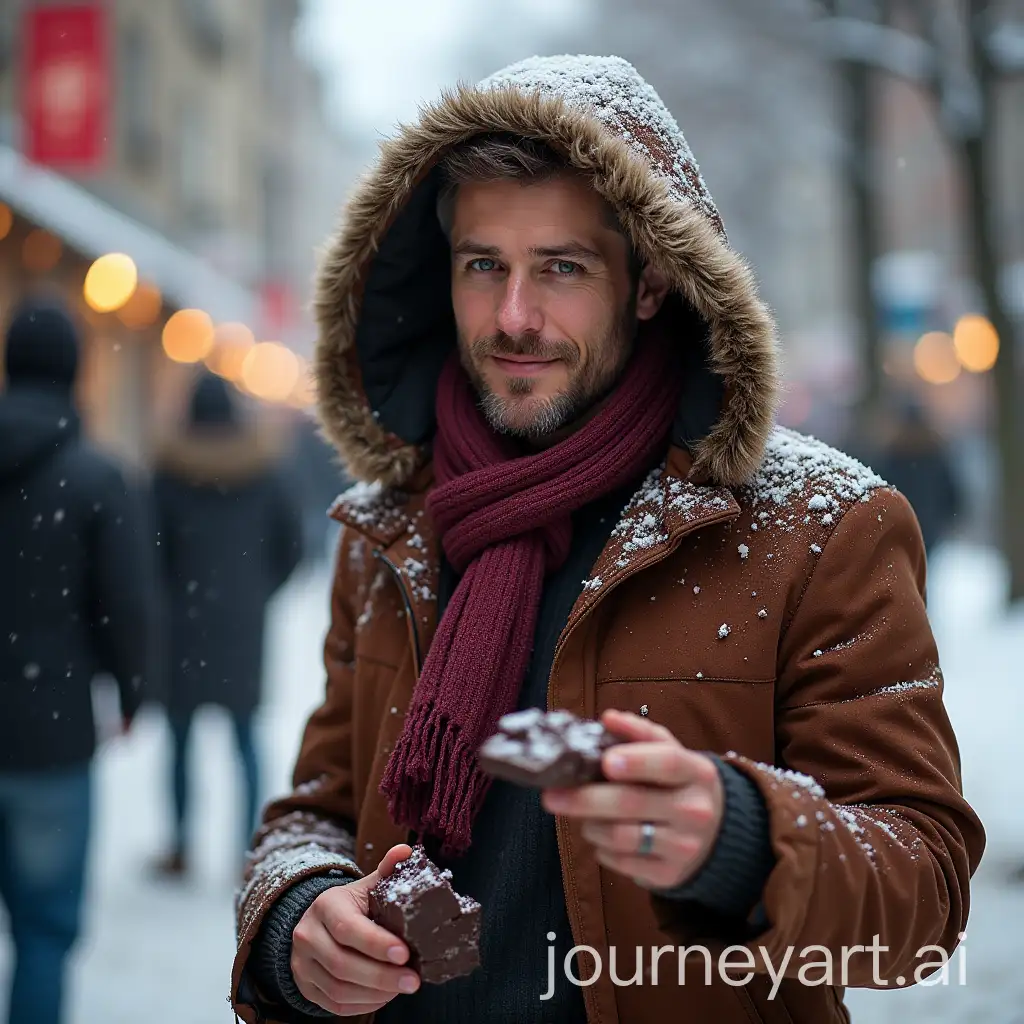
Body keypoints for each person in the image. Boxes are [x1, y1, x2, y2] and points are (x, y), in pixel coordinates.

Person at [229, 56, 984, 1023]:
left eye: (562, 268)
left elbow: (923, 894)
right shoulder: (393, 526)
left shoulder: (822, 528)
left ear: (651, 282)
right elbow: (316, 813)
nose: (514, 317)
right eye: (484, 266)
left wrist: (746, 840)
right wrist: (296, 921)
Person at [0, 297, 160, 1024]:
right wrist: (133, 692)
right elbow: (128, 605)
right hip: (50, 733)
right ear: (75, 371)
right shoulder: (97, 477)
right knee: (43, 932)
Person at [150, 373, 304, 877]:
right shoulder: (262, 472)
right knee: (245, 741)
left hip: (181, 629)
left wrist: (171, 598)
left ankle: (178, 847)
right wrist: (256, 593)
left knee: (179, 740)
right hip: (241, 628)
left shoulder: (168, 474)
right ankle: (247, 851)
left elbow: (146, 554)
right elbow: (292, 547)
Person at [869, 394, 963, 556]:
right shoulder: (935, 454)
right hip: (929, 527)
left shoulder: (893, 455)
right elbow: (951, 492)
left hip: (901, 526)